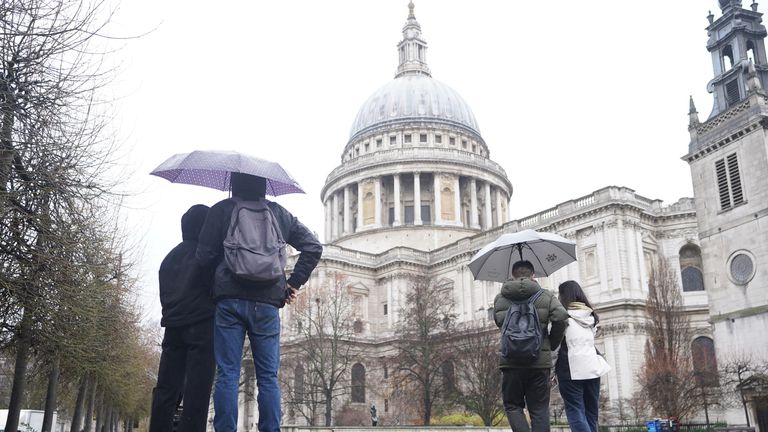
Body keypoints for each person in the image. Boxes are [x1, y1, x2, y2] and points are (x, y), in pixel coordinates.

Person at [196, 172, 323, 432]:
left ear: (234, 185)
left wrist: (216, 284)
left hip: (229, 301)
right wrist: (292, 284)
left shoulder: (221, 210)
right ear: (265, 186)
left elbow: (204, 256)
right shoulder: (279, 214)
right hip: (266, 303)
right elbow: (313, 247)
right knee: (268, 377)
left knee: (227, 373)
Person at [149, 204, 216, 432]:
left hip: (172, 327)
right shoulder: (206, 254)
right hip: (202, 326)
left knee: (166, 389)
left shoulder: (169, 258)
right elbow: (214, 288)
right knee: (197, 390)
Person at [493, 260, 568, 432]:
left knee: (513, 406)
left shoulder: (500, 298)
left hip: (511, 361)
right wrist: (550, 343)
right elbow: (562, 318)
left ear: (513, 275)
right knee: (539, 409)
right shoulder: (546, 296)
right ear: (533, 275)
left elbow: (500, 323)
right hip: (539, 361)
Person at [554, 280, 610, 432]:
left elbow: (555, 347)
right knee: (591, 413)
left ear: (563, 297)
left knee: (575, 411)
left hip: (570, 370)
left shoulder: (561, 318)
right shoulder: (591, 317)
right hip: (592, 368)